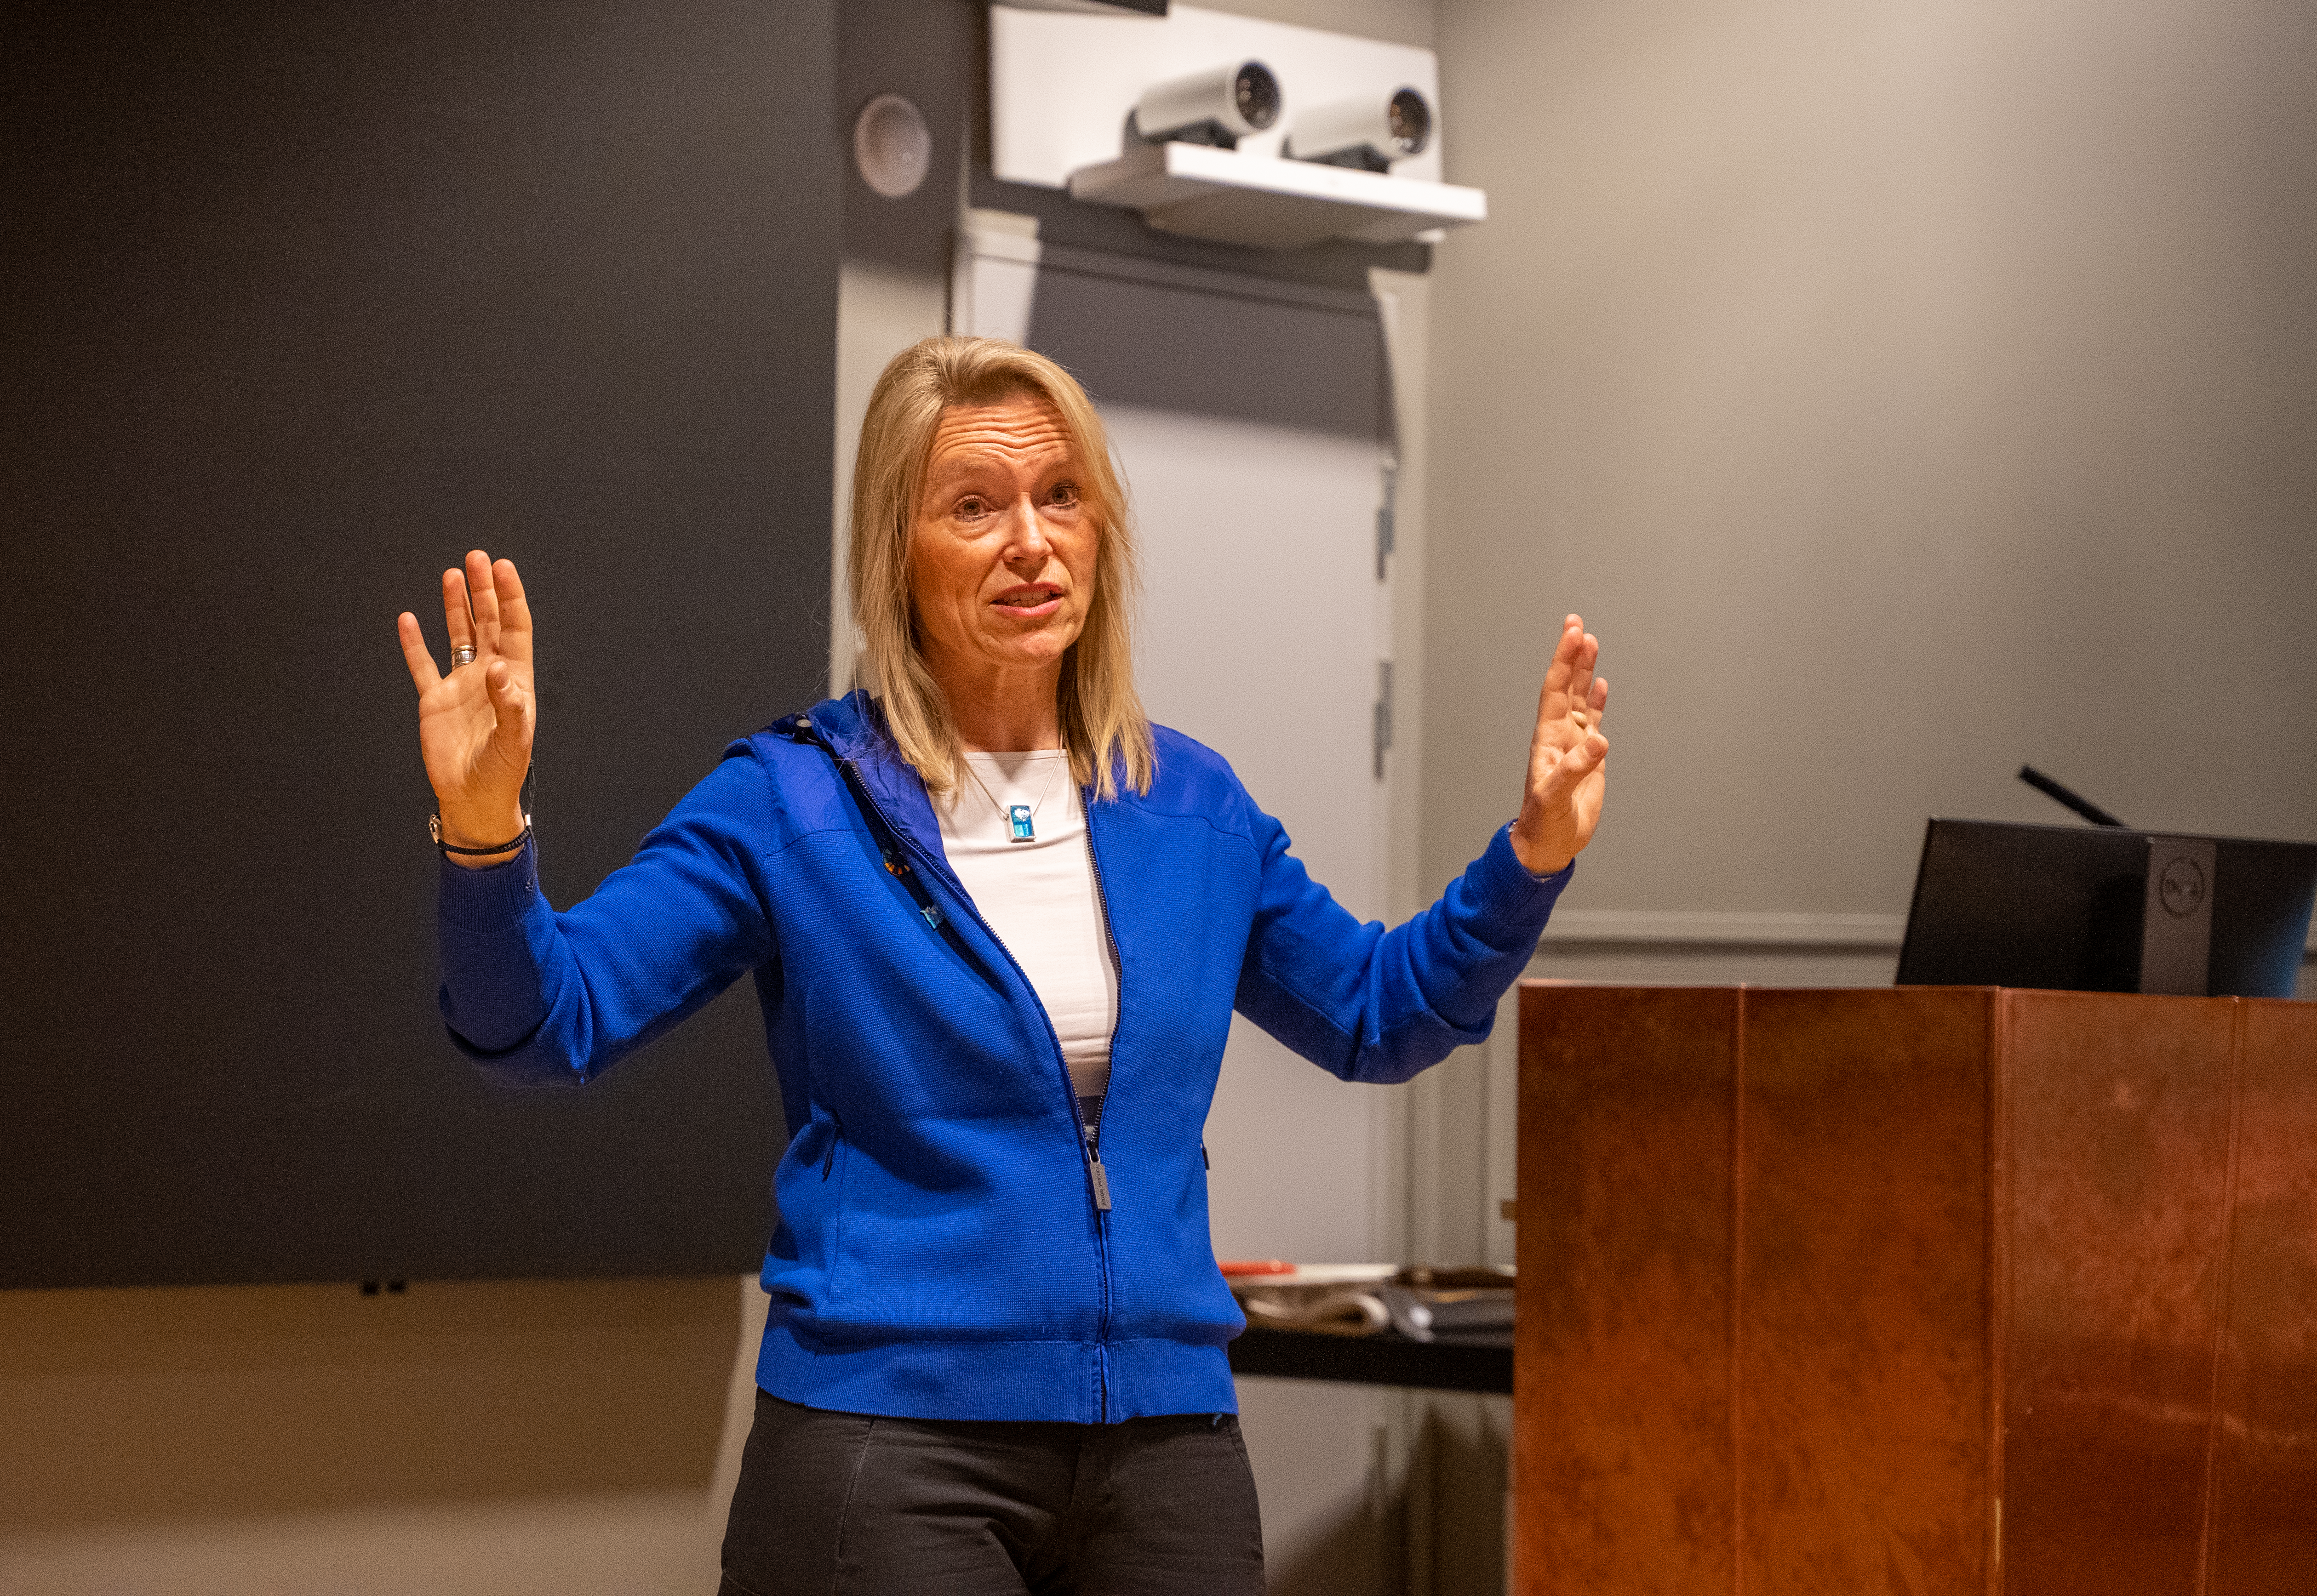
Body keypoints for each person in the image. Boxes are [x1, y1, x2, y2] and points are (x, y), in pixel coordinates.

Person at [395, 335, 1608, 1596]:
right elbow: (545, 1025)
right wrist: (485, 829)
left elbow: (1379, 1014)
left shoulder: (1185, 800)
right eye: (974, 506)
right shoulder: (794, 800)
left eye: (1062, 496)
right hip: (888, 1449)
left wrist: (1529, 856)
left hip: (1165, 1446)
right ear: (895, 556)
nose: (1032, 540)